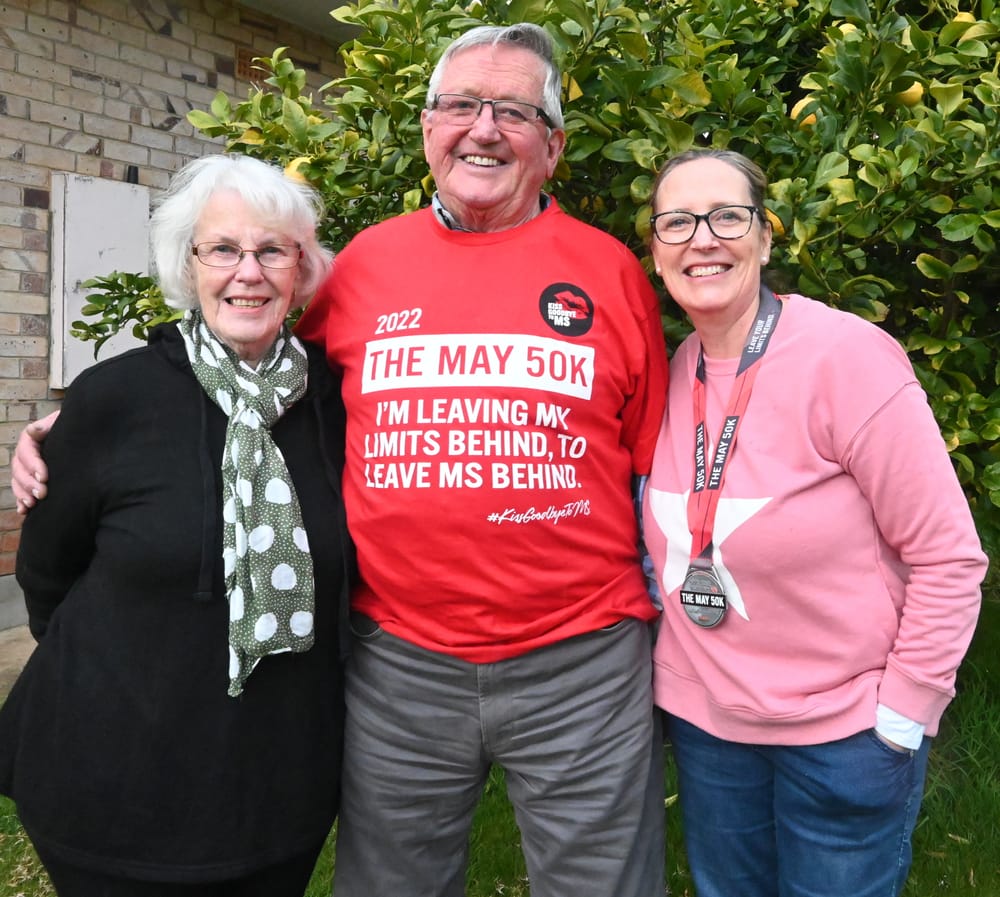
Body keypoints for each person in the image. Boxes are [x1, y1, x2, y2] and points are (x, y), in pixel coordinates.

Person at [12, 23, 669, 897]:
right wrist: (80, 427)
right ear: (428, 129)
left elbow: (655, 460)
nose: (483, 128)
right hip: (399, 661)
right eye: (461, 105)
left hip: (579, 660)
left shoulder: (612, 272)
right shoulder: (364, 267)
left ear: (552, 145)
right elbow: (251, 376)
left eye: (513, 111)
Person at [1, 153, 352, 896]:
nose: (248, 272)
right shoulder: (114, 398)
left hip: (275, 788)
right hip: (111, 779)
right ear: (188, 265)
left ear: (301, 268)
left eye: (272, 250)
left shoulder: (336, 402)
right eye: (222, 248)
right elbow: (46, 574)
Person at [641, 147, 988, 897]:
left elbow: (948, 555)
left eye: (727, 216)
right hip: (710, 733)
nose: (703, 239)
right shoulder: (670, 371)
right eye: (678, 222)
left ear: (766, 238)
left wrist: (904, 712)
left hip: (844, 734)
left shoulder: (846, 358)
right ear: (657, 251)